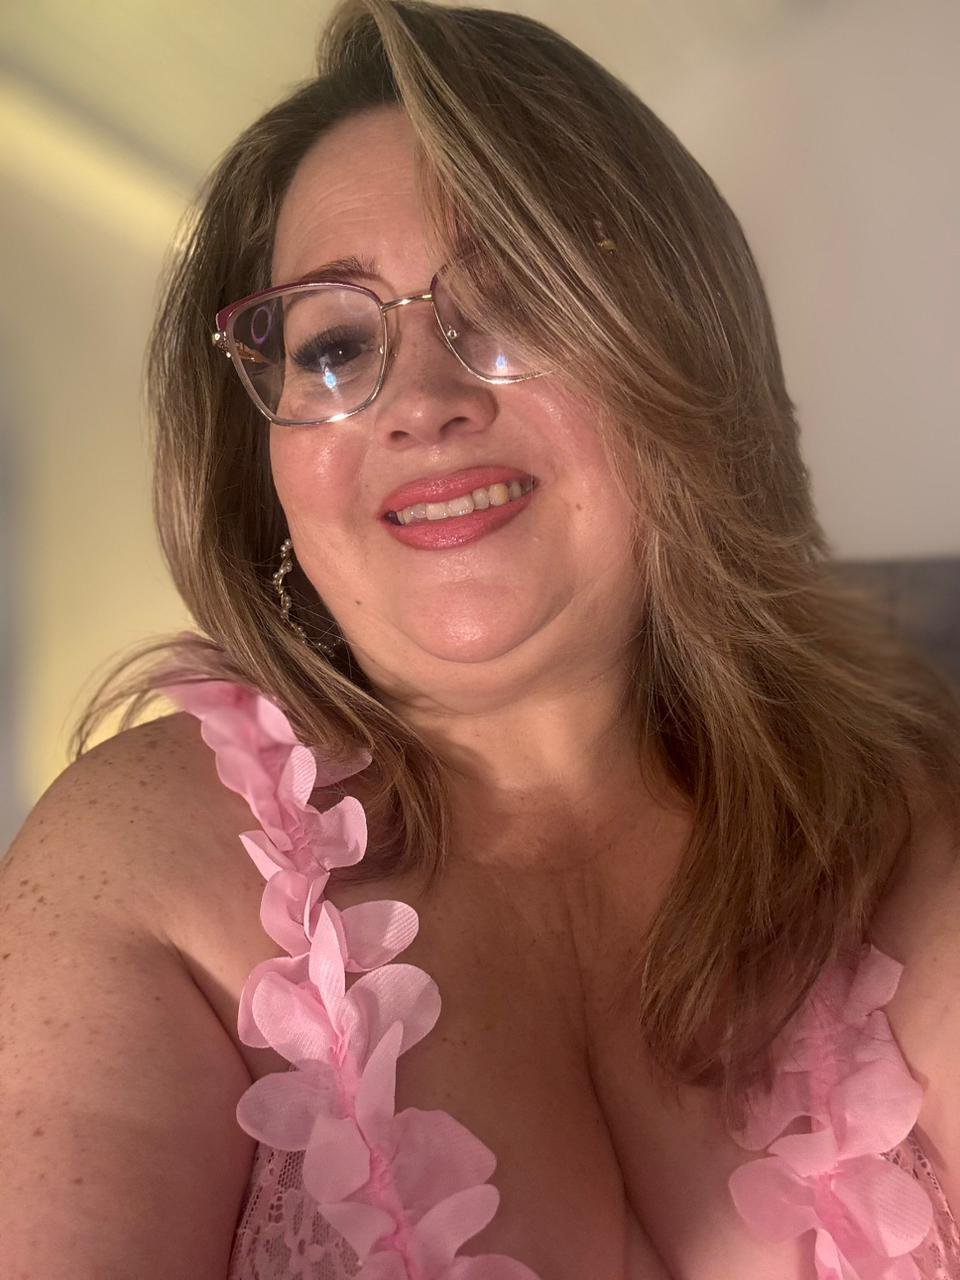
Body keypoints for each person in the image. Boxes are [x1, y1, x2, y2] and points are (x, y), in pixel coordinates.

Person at [2, 1, 959, 1276]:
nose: (421, 400)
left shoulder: (903, 808)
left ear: (687, 364)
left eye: (518, 305)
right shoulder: (133, 865)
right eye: (336, 344)